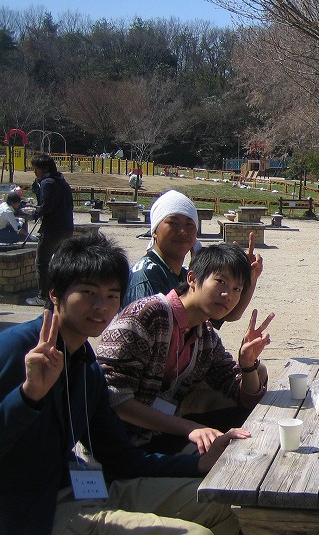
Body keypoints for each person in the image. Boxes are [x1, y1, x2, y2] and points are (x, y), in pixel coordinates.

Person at [0, 233, 247, 534]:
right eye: (88, 292)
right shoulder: (17, 349)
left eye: (112, 295)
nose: (101, 306)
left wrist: (198, 465)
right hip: (33, 511)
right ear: (55, 294)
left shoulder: (86, 365)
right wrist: (27, 398)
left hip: (89, 488)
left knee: (226, 506)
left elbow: (120, 458)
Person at [98, 243, 274, 454]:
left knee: (252, 424)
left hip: (160, 433)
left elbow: (243, 397)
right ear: (192, 278)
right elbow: (115, 398)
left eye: (237, 289)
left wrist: (247, 364)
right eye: (221, 282)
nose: (228, 295)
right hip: (120, 444)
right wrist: (190, 428)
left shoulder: (205, 335)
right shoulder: (148, 315)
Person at [124, 189, 263, 324]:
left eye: (189, 224)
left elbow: (225, 314)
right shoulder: (146, 277)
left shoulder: (183, 272)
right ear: (154, 230)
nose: (183, 231)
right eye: (173, 223)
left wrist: (249, 277)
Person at [22, 154, 74, 306]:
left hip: (52, 228)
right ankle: (61, 293)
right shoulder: (62, 182)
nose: (34, 172)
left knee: (42, 262)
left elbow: (47, 205)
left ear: (44, 169)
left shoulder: (47, 183)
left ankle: (43, 296)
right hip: (66, 227)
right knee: (61, 262)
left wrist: (35, 213)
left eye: (36, 169)